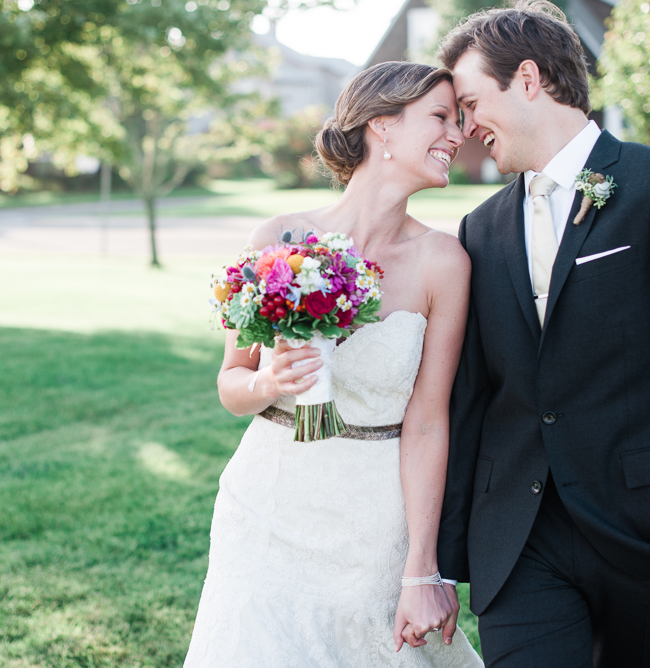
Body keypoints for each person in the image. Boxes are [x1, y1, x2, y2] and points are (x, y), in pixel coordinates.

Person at [434, 2, 650, 666]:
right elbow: (472, 395)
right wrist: (450, 546)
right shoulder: (481, 228)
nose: (466, 129)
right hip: (518, 538)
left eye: (470, 103)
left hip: (644, 526)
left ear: (527, 79)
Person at [184, 62, 483, 667]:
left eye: (459, 120)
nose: (459, 134)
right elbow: (231, 384)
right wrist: (269, 380)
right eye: (440, 118)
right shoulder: (280, 236)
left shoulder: (443, 262)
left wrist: (421, 569)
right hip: (265, 505)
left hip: (372, 525)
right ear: (383, 126)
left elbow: (428, 422)